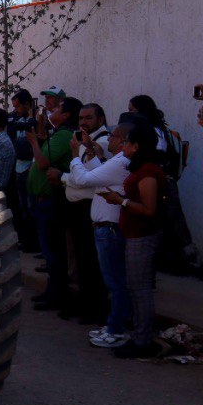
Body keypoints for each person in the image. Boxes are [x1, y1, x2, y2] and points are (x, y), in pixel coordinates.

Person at [98, 123, 167, 359]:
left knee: (140, 290)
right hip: (135, 235)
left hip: (143, 236)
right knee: (136, 288)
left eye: (127, 142)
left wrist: (120, 201)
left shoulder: (148, 172)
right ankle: (140, 336)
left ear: (136, 146)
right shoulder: (141, 168)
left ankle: (143, 341)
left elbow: (149, 209)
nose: (123, 145)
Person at [67, 120, 134, 347]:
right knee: (113, 281)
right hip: (106, 228)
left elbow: (83, 179)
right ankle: (114, 324)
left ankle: (117, 329)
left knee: (115, 282)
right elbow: (98, 172)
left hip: (110, 229)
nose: (110, 140)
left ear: (124, 141)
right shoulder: (118, 160)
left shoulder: (122, 161)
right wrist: (91, 152)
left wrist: (75, 154)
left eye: (114, 136)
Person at [26, 96, 80, 313]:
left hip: (52, 200)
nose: (52, 110)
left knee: (54, 251)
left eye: (57, 108)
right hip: (45, 199)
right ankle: (52, 292)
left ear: (66, 114)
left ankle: (58, 295)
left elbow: (42, 162)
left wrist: (33, 143)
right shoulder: (58, 133)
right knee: (50, 249)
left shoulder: (65, 135)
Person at [58, 104, 111, 323]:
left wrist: (62, 177)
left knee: (91, 261)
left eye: (89, 118)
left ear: (100, 118)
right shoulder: (81, 140)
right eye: (81, 118)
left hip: (90, 207)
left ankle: (94, 309)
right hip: (76, 207)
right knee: (79, 259)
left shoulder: (105, 142)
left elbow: (89, 180)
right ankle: (82, 304)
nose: (83, 122)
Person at [129, 93, 194, 271]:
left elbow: (158, 155)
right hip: (159, 181)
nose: (130, 115)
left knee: (171, 221)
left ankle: (185, 259)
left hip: (160, 181)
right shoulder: (154, 128)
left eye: (132, 111)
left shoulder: (154, 130)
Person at [8, 89, 38, 250]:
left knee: (32, 209)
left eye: (18, 106)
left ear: (27, 104)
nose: (15, 110)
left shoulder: (34, 122)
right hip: (19, 168)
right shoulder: (18, 121)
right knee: (23, 208)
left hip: (29, 169)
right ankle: (25, 240)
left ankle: (33, 243)